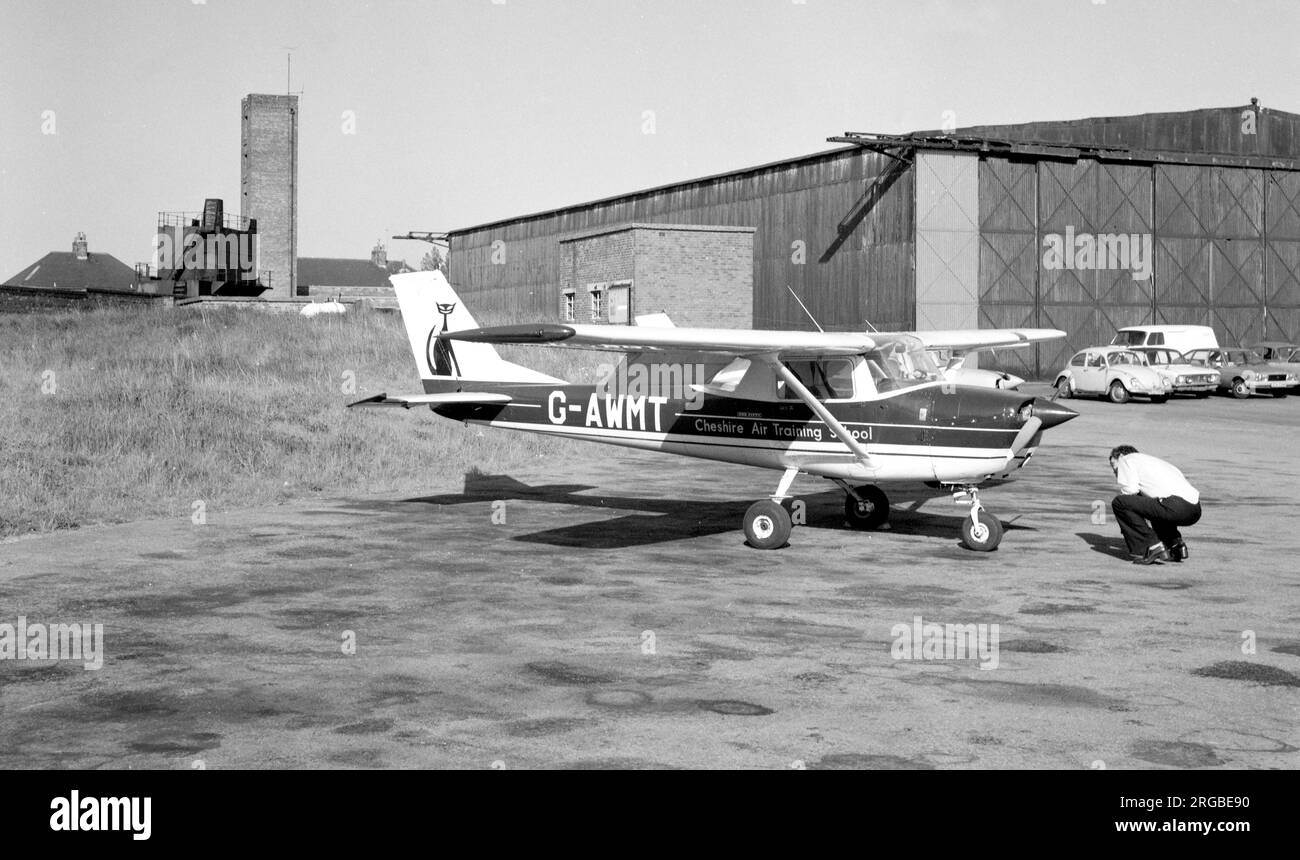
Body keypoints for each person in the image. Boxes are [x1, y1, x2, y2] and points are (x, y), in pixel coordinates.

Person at [1109, 445, 1202, 564]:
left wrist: (1129, 521)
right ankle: (1175, 546)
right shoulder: (1154, 463)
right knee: (1153, 504)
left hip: (1175, 506)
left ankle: (1151, 547)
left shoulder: (1127, 460)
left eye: (1114, 466)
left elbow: (1130, 491)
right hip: (1194, 508)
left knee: (1120, 503)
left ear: (1121, 456)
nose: (1115, 472)